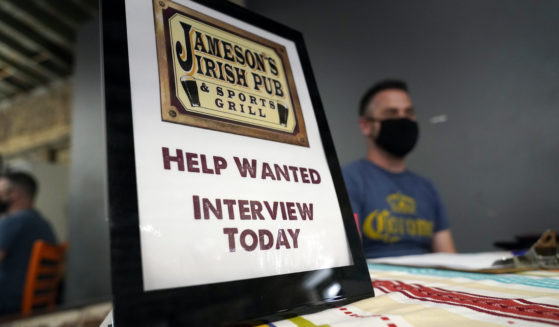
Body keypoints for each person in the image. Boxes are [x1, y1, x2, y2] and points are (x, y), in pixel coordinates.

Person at [343, 79, 455, 258]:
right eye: (391, 113)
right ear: (366, 126)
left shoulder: (427, 188)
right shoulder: (348, 180)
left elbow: (448, 256)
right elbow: (350, 256)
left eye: (409, 113)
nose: (403, 119)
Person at [0, 171, 57, 315]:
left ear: (13, 193)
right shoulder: (44, 224)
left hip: (8, 303)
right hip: (37, 304)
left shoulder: (13, 221)